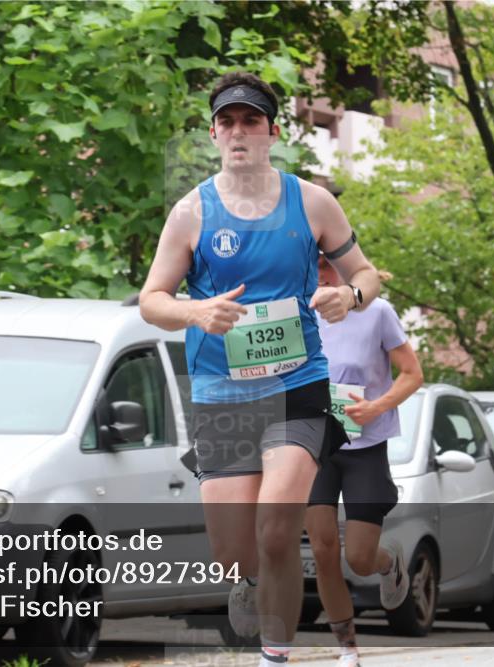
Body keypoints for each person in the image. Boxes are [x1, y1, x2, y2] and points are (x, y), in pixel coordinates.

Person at [139, 71, 381, 666]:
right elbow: (152, 300)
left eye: (251, 120)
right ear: (214, 134)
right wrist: (196, 312)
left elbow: (366, 274)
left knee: (277, 527)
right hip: (222, 394)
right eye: (227, 122)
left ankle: (274, 656)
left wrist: (348, 297)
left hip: (298, 385)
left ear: (272, 132)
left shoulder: (313, 202)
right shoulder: (191, 212)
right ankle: (247, 581)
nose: (239, 131)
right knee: (235, 554)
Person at [305, 260, 424, 666]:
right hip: (316, 444)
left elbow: (412, 374)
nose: (322, 275)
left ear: (347, 272)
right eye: (315, 267)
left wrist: (377, 406)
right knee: (322, 549)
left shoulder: (377, 312)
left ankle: (388, 563)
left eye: (329, 267)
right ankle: (347, 648)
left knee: (358, 558)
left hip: (365, 445)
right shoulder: (298, 311)